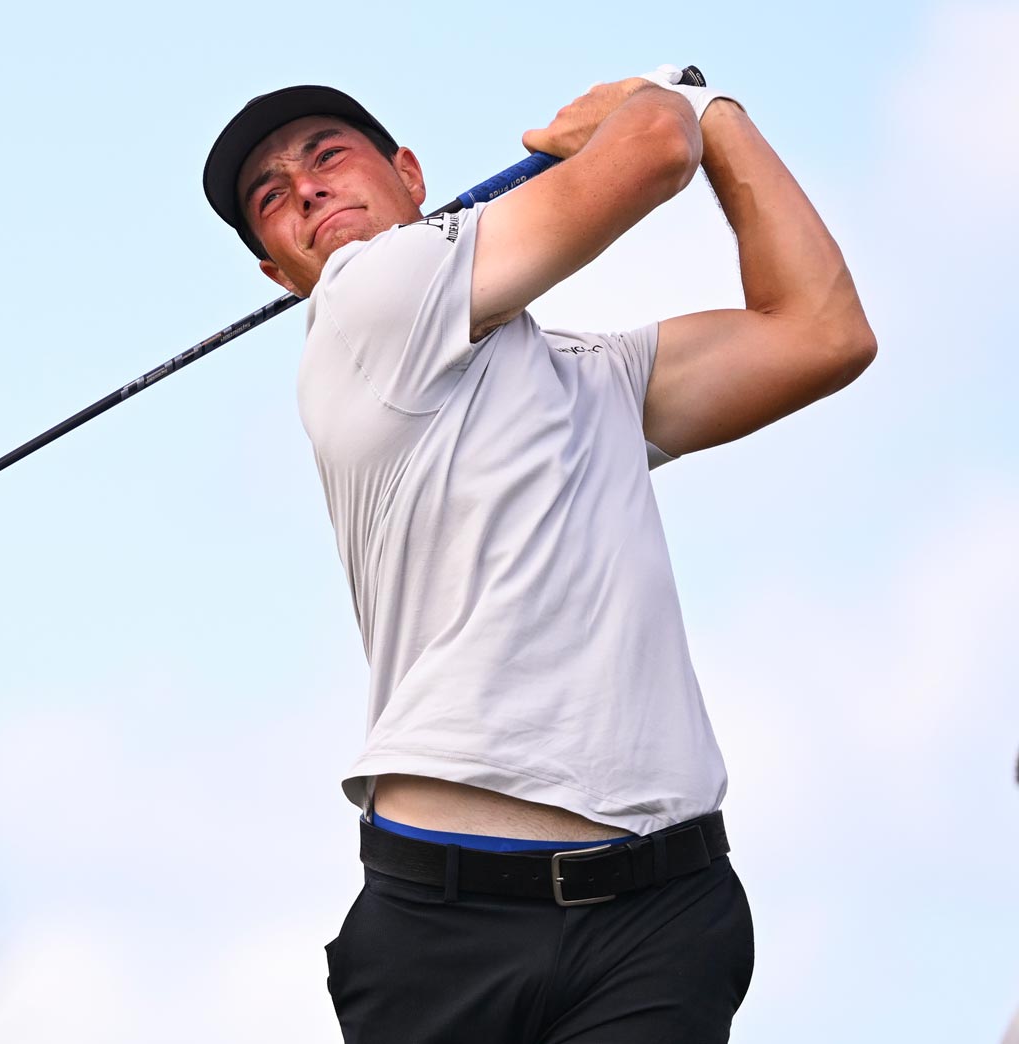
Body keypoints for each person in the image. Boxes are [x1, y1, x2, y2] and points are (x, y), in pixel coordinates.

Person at [201, 68, 874, 1042]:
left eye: (325, 155)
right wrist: (656, 103)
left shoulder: (594, 380)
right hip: (446, 929)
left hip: (660, 911)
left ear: (408, 174)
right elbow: (648, 154)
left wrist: (718, 114)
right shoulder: (365, 293)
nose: (302, 188)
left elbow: (821, 333)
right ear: (279, 270)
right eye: (270, 196)